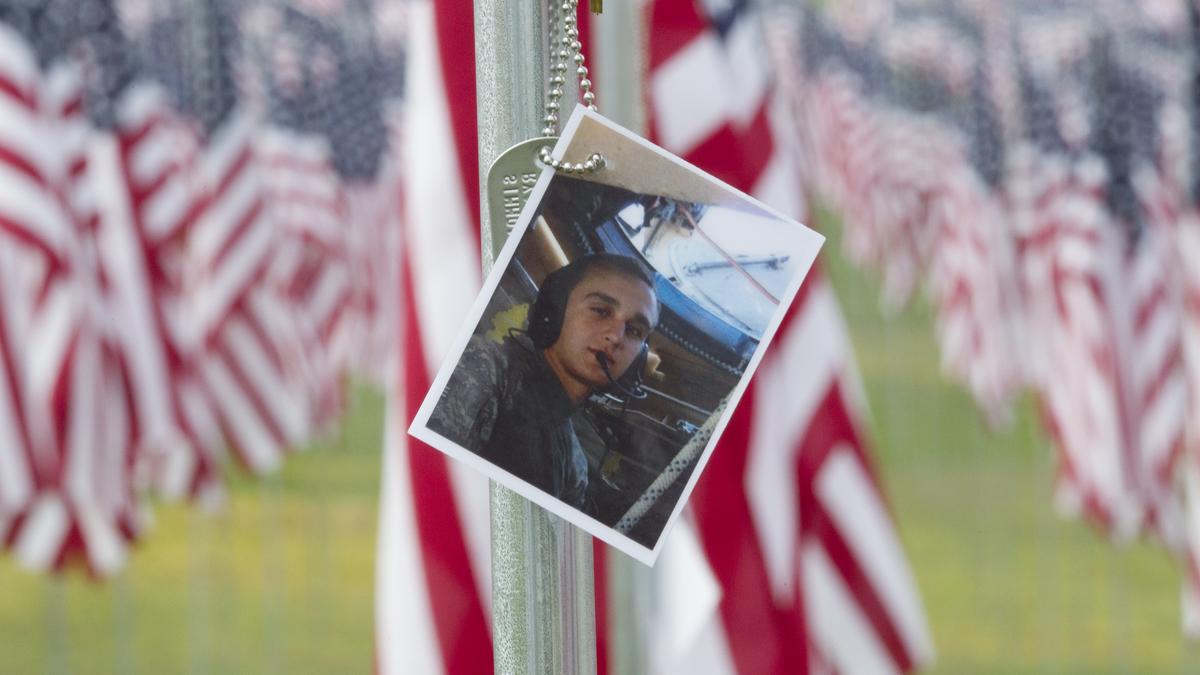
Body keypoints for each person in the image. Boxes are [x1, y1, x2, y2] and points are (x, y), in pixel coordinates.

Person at [428, 254, 659, 511]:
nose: (616, 337)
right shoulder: (482, 367)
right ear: (554, 309)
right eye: (601, 311)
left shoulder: (574, 462)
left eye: (634, 330)